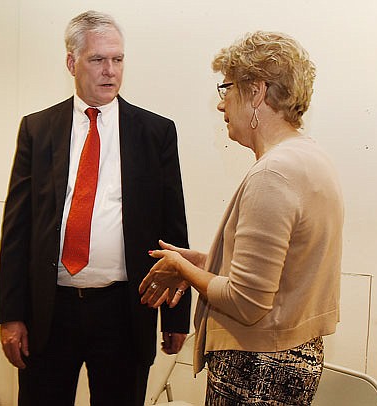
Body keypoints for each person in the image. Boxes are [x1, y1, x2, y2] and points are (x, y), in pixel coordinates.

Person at [140, 31, 344, 405]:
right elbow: (285, 274)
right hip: (289, 363)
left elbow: (247, 303)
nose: (222, 106)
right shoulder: (311, 159)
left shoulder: (273, 174)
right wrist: (206, 262)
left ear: (257, 92)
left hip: (257, 372)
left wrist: (184, 271)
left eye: (227, 88)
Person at [0, 10, 190, 406]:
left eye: (117, 60)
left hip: (124, 310)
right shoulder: (38, 129)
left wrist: (175, 315)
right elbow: (17, 229)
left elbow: (173, 227)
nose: (110, 71)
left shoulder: (155, 132)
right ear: (72, 62)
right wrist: (11, 314)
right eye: (97, 59)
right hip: (50, 311)